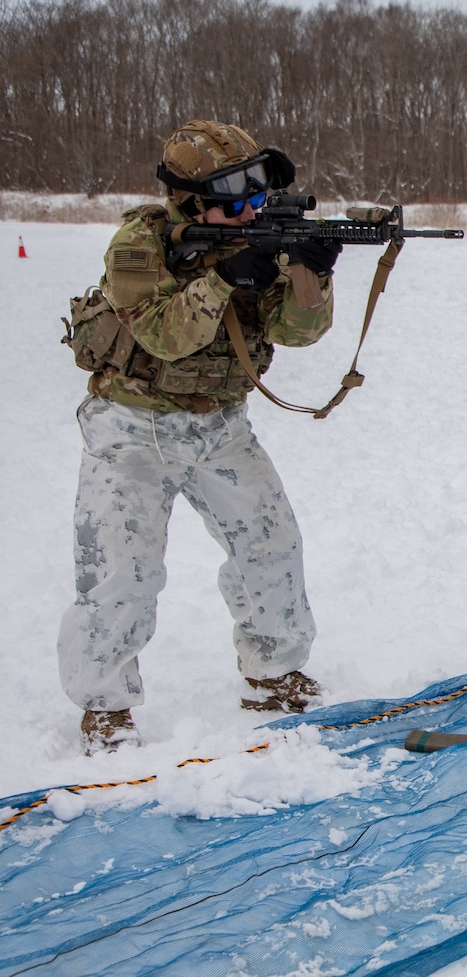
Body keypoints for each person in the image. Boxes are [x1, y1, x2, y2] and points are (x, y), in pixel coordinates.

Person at [60, 120, 340, 753]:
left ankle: (274, 674)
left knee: (271, 545)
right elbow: (164, 337)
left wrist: (307, 274)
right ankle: (105, 707)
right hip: (131, 428)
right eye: (231, 202)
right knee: (120, 573)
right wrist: (226, 276)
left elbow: (298, 334)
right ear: (188, 201)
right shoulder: (141, 243)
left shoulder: (263, 238)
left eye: (256, 199)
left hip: (220, 424)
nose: (247, 213)